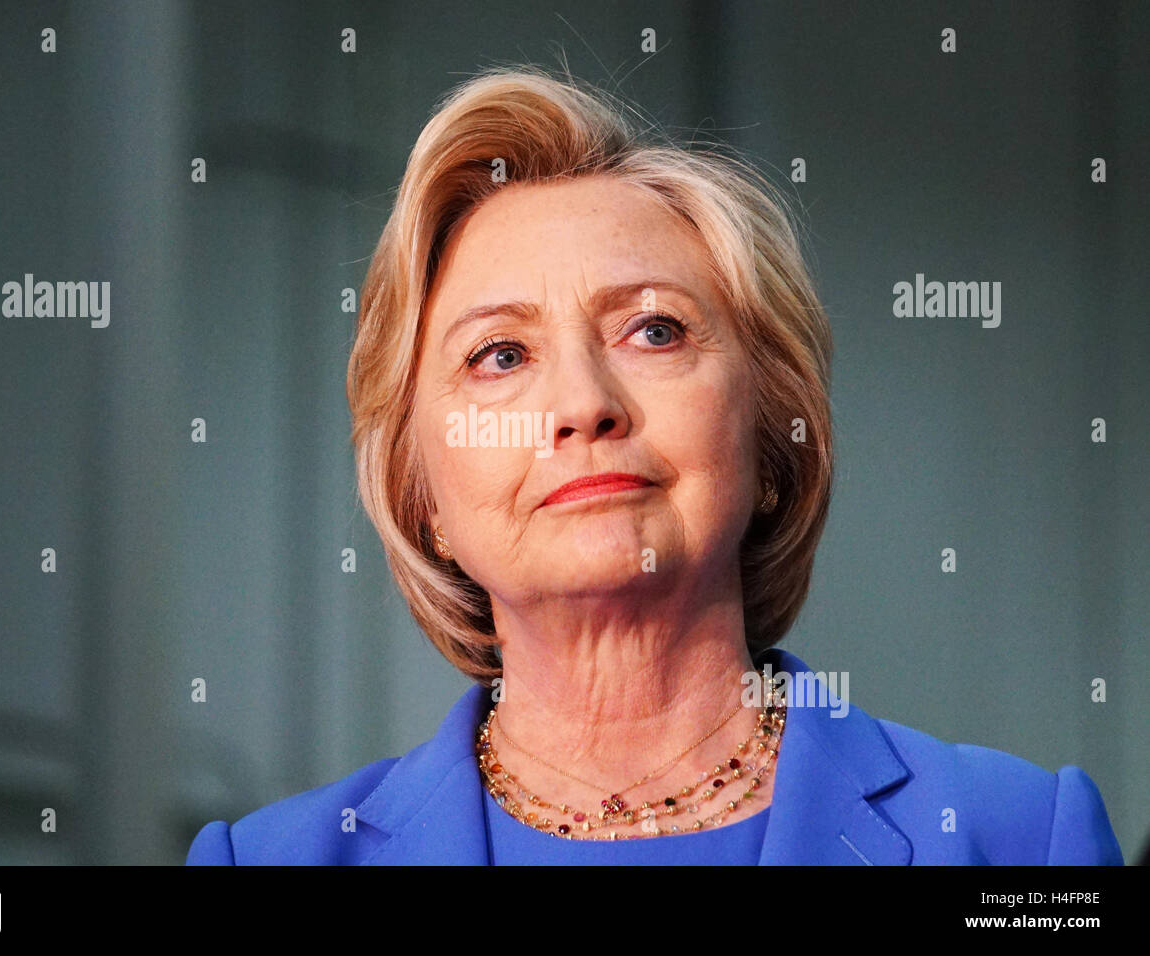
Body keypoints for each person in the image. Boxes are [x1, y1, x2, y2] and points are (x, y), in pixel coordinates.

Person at [187, 67, 1122, 865]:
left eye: (654, 330)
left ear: (771, 439)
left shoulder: (1017, 839)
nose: (584, 403)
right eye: (500, 355)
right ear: (420, 492)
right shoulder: (267, 860)